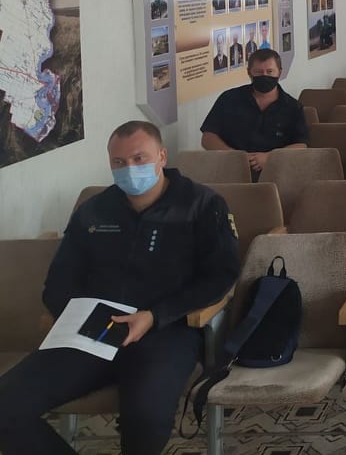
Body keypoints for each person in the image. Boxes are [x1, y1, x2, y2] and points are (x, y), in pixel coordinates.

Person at [0, 120, 240, 455]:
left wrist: (155, 315)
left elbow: (221, 275)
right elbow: (58, 281)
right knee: (6, 406)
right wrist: (79, 317)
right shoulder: (93, 211)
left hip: (164, 331)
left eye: (139, 159)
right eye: (119, 162)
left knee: (145, 418)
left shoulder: (201, 205)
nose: (130, 169)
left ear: (161, 156)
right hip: (95, 330)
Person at [200, 48, 309, 177]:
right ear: (249, 72)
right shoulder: (229, 99)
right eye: (259, 72)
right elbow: (208, 137)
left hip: (277, 171)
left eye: (270, 71)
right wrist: (235, 156)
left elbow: (301, 145)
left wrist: (270, 157)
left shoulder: (293, 107)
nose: (264, 76)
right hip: (230, 170)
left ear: (279, 72)